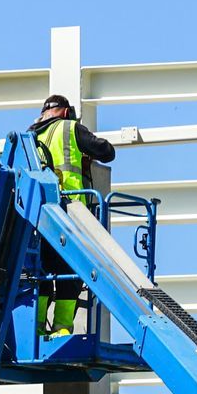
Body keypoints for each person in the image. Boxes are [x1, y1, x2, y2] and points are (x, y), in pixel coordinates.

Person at [29, 93, 117, 337]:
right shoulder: (70, 129)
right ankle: (62, 327)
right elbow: (106, 151)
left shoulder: (32, 136)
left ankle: (36, 328)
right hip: (71, 214)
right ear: (66, 112)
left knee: (43, 273)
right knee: (71, 272)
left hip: (39, 217)